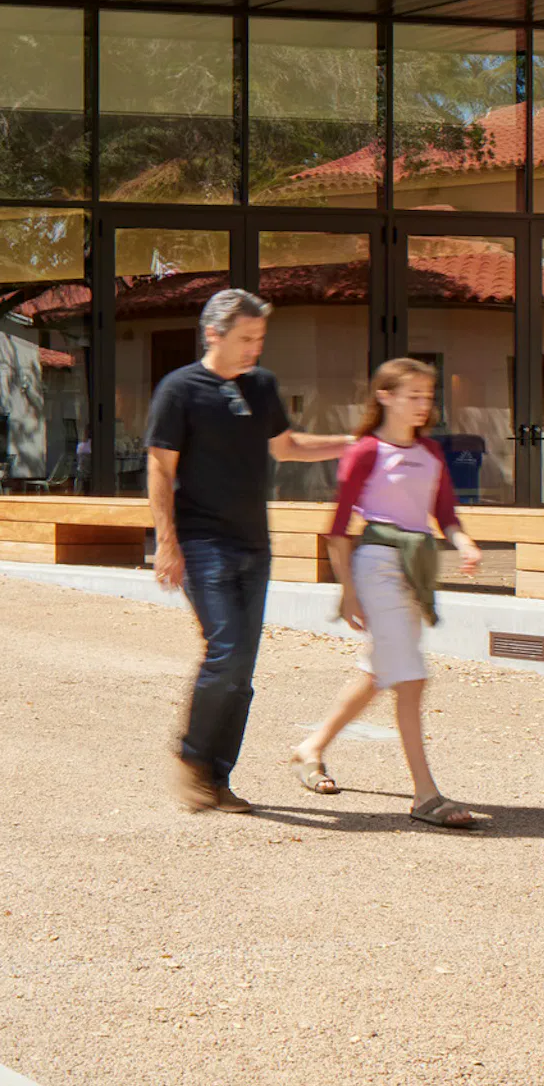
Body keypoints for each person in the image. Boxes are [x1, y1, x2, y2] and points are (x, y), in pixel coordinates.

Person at [147, 287, 350, 811]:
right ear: (213, 334)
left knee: (242, 672)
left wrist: (352, 444)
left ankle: (215, 779)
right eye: (246, 339)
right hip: (201, 543)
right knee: (227, 653)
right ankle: (193, 757)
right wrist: (167, 543)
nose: (254, 349)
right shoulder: (179, 389)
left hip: (254, 546)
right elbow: (160, 469)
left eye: (260, 339)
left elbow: (286, 447)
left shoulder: (261, 386)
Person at [290, 356, 488, 827]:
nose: (424, 405)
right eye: (413, 395)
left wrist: (464, 542)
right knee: (411, 678)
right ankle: (425, 795)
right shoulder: (365, 451)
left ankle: (310, 747)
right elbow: (339, 528)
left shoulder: (431, 454)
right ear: (385, 397)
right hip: (376, 565)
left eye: (428, 396)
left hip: (416, 567)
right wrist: (348, 592)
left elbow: (445, 512)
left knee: (379, 671)